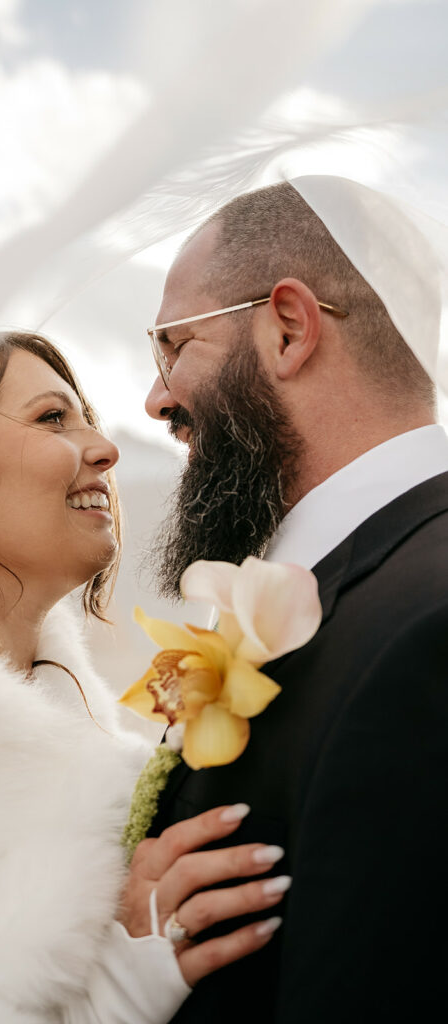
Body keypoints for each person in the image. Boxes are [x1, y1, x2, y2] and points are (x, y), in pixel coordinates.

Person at [0, 330, 289, 1023]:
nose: (104, 448)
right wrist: (118, 992)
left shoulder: (90, 734)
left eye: (85, 417)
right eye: (51, 418)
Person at [143, 180, 448, 1023]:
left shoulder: (430, 623)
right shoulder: (332, 590)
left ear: (287, 327)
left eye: (173, 346)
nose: (156, 398)